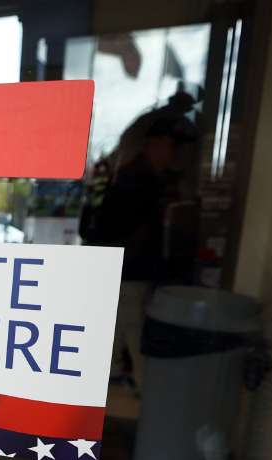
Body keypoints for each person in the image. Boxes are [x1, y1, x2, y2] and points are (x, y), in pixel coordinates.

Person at [80, 95, 198, 393]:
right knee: (132, 323)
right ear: (153, 144)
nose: (173, 155)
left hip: (128, 267)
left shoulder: (137, 178)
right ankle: (138, 380)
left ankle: (117, 372)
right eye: (170, 147)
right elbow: (114, 226)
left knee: (123, 321)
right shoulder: (136, 181)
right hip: (129, 267)